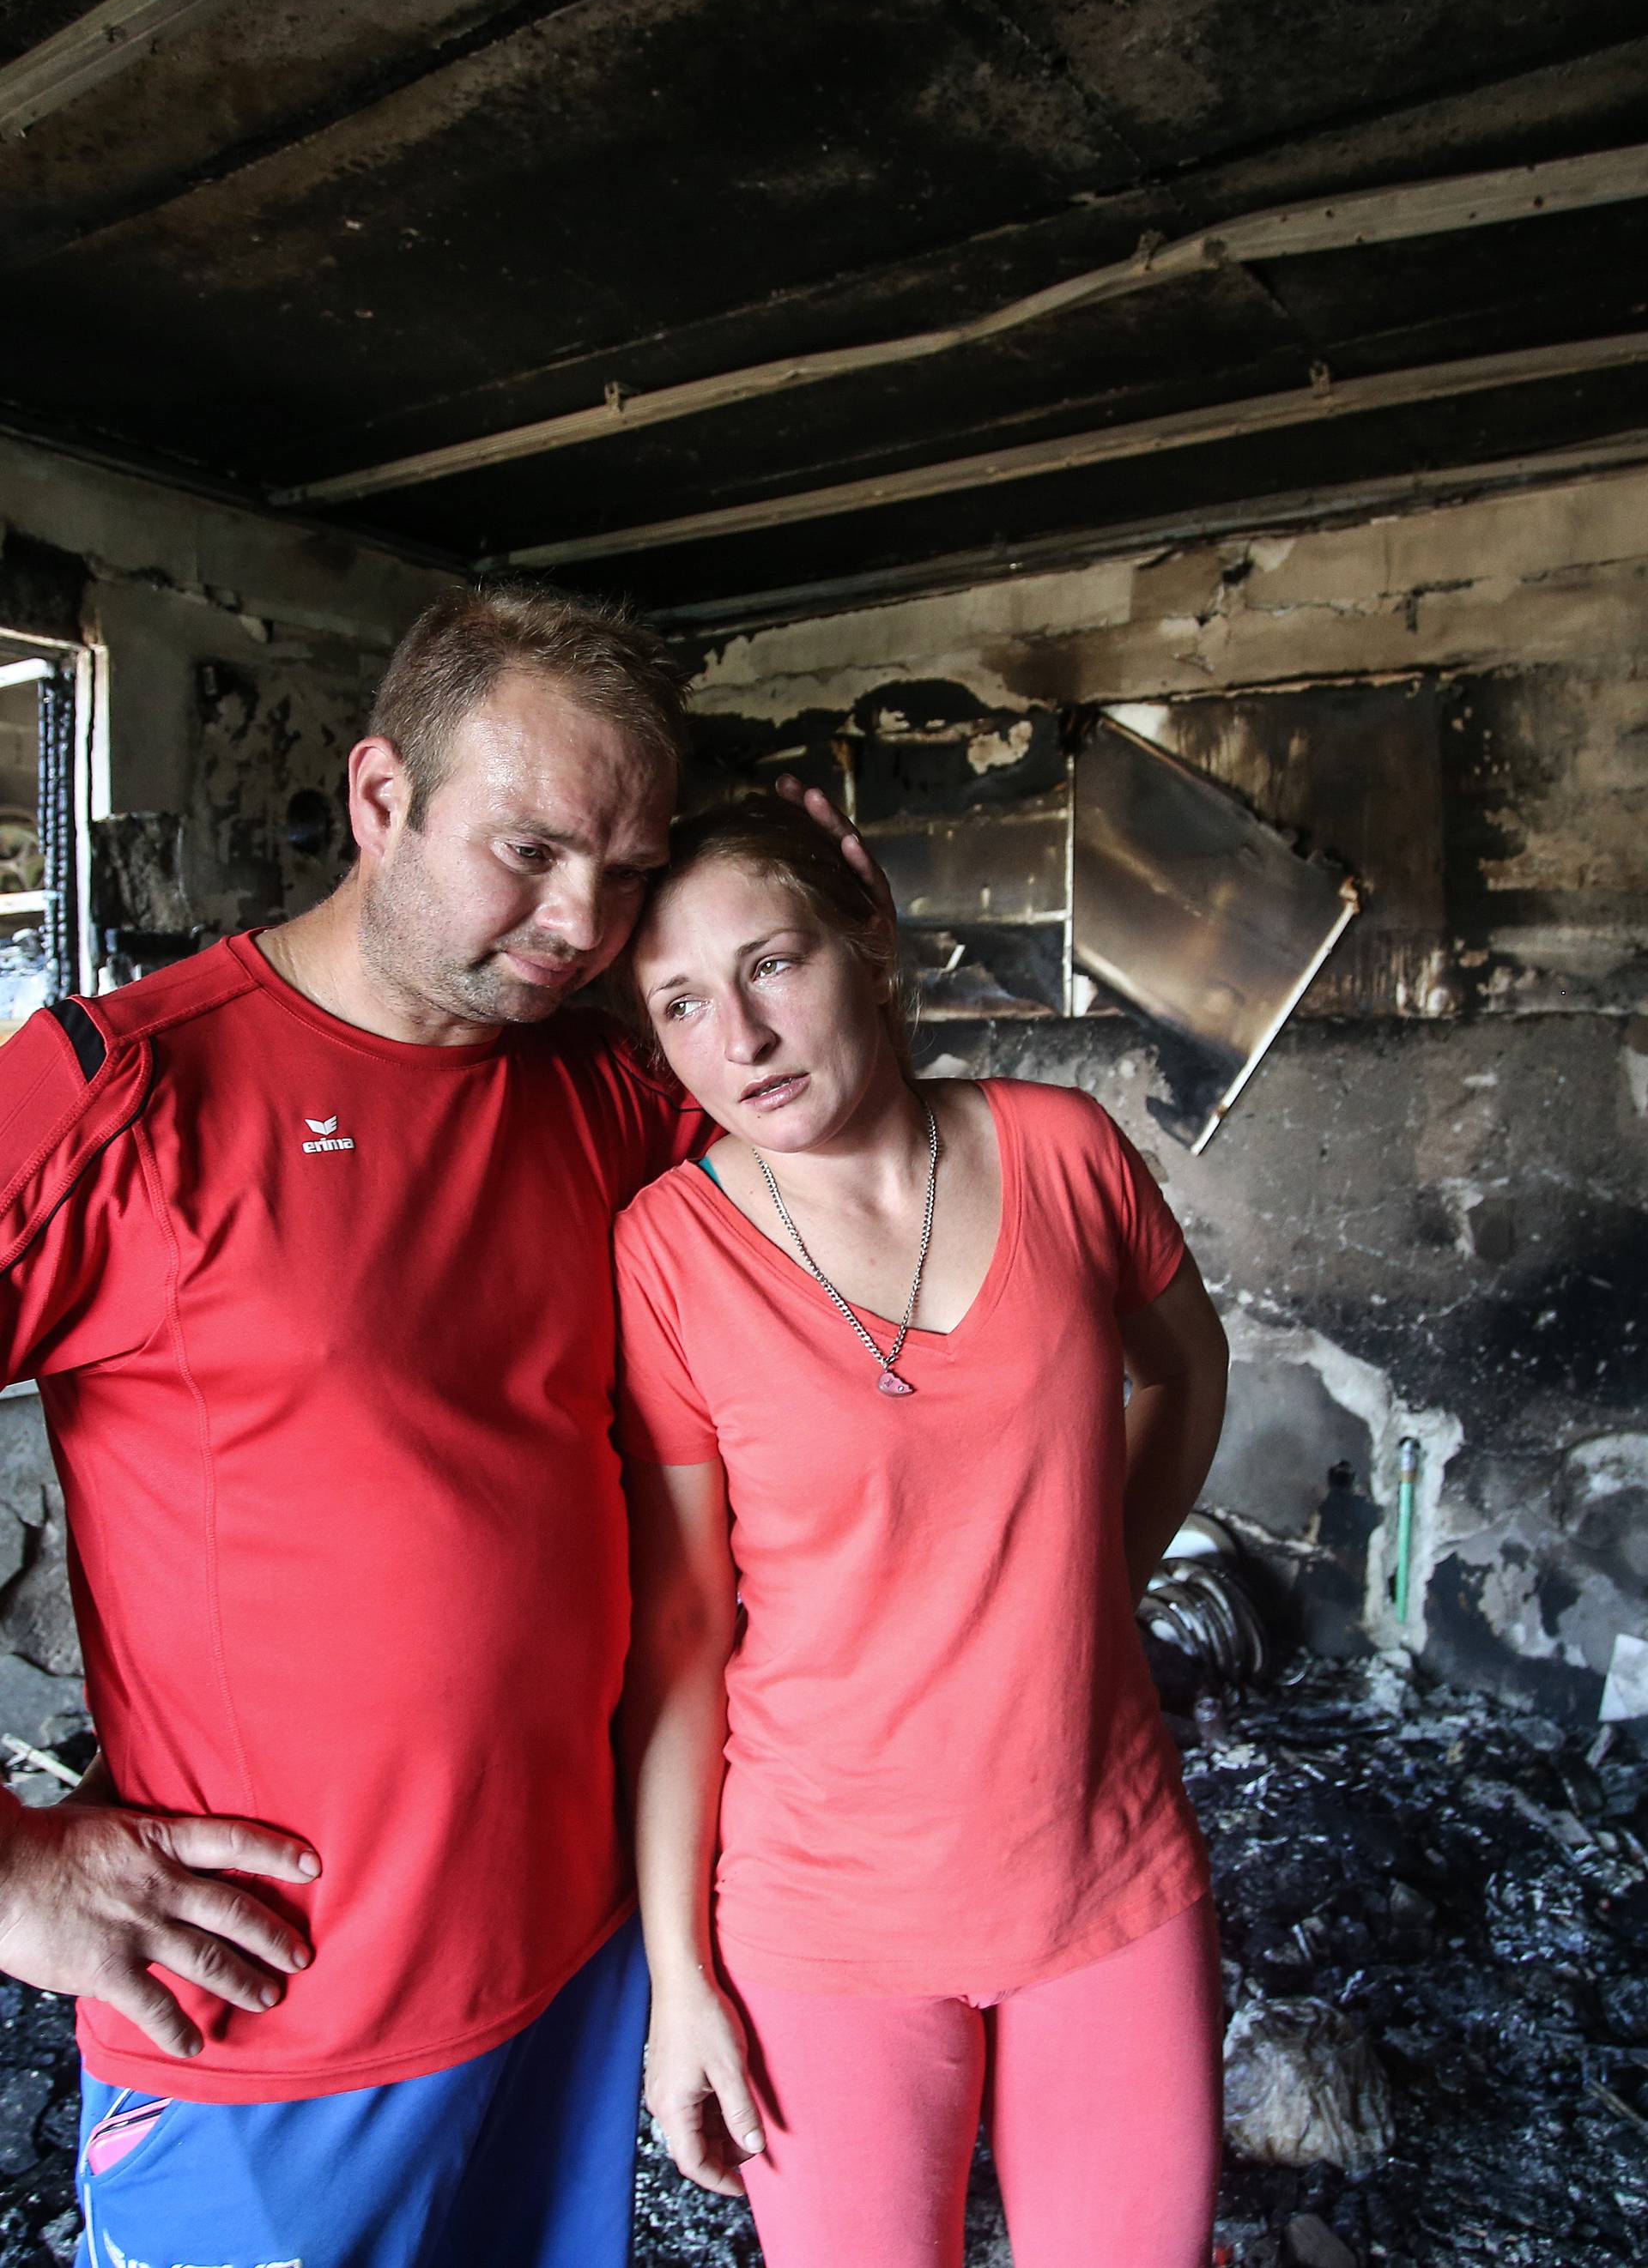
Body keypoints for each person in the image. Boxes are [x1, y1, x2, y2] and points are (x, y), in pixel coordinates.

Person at [0, 585, 878, 2268]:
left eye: (624, 876)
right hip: (281, 2028)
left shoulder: (600, 1093)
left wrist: (828, 955)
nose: (579, 922)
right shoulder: (125, 1090)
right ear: (380, 796)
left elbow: (850, 1256)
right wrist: (12, 1867)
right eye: (534, 849)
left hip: (574, 1966)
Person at [615, 793, 1231, 2268]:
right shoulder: (671, 1255)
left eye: (771, 965)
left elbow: (1186, 1372)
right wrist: (677, 1981)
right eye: (681, 1003)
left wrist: (1086, 1580)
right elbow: (687, 1633)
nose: (740, 1040)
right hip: (824, 1923)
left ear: (865, 936)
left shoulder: (1066, 1153)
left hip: (1107, 1876)